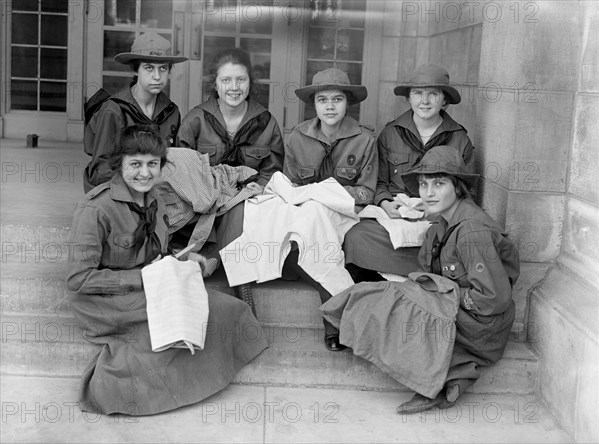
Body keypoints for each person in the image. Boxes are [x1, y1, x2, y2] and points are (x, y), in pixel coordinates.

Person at [67, 125, 267, 415]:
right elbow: (79, 280)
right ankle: (116, 389)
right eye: (135, 164)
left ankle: (195, 378)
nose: (145, 173)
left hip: (150, 285)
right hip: (102, 300)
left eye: (152, 164)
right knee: (180, 320)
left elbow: (156, 254)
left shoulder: (156, 199)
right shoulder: (95, 208)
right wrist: (147, 277)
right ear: (119, 165)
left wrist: (182, 261)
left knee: (224, 309)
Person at [323, 145, 519, 414]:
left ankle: (438, 380)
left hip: (482, 327)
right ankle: (456, 370)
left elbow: (493, 299)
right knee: (377, 296)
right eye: (424, 184)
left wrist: (441, 295)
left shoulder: (472, 231)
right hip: (462, 315)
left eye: (439, 184)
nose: (428, 192)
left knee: (395, 306)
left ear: (459, 187)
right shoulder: (441, 224)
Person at [176, 48, 284, 313]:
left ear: (250, 83)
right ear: (214, 84)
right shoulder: (197, 119)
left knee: (240, 209)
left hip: (249, 201)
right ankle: (239, 284)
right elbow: (180, 167)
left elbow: (274, 169)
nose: (234, 87)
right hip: (204, 201)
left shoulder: (266, 122)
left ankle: (216, 265)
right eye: (226, 81)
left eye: (241, 80)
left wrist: (261, 187)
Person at [344, 64, 475, 281]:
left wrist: (434, 209)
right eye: (418, 93)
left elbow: (467, 194)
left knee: (447, 241)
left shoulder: (460, 139)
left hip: (437, 219)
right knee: (356, 235)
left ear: (444, 101)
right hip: (393, 218)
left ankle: (421, 289)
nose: (425, 101)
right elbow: (378, 181)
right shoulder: (391, 133)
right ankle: (372, 293)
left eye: (433, 94)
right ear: (408, 98)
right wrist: (386, 203)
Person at [282, 67, 377, 351]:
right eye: (323, 100)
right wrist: (313, 200)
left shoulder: (365, 139)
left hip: (349, 215)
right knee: (312, 246)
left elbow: (367, 191)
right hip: (310, 217)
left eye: (337, 99)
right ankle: (340, 322)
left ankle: (337, 322)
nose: (330, 106)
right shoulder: (297, 137)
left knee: (329, 251)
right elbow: (290, 187)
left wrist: (326, 195)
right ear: (314, 104)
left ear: (348, 102)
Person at [83, 32, 187, 193]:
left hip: (159, 193)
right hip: (118, 193)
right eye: (149, 68)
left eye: (163, 68)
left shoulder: (171, 112)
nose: (157, 76)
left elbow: (173, 161)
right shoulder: (114, 110)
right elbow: (100, 172)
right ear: (135, 69)